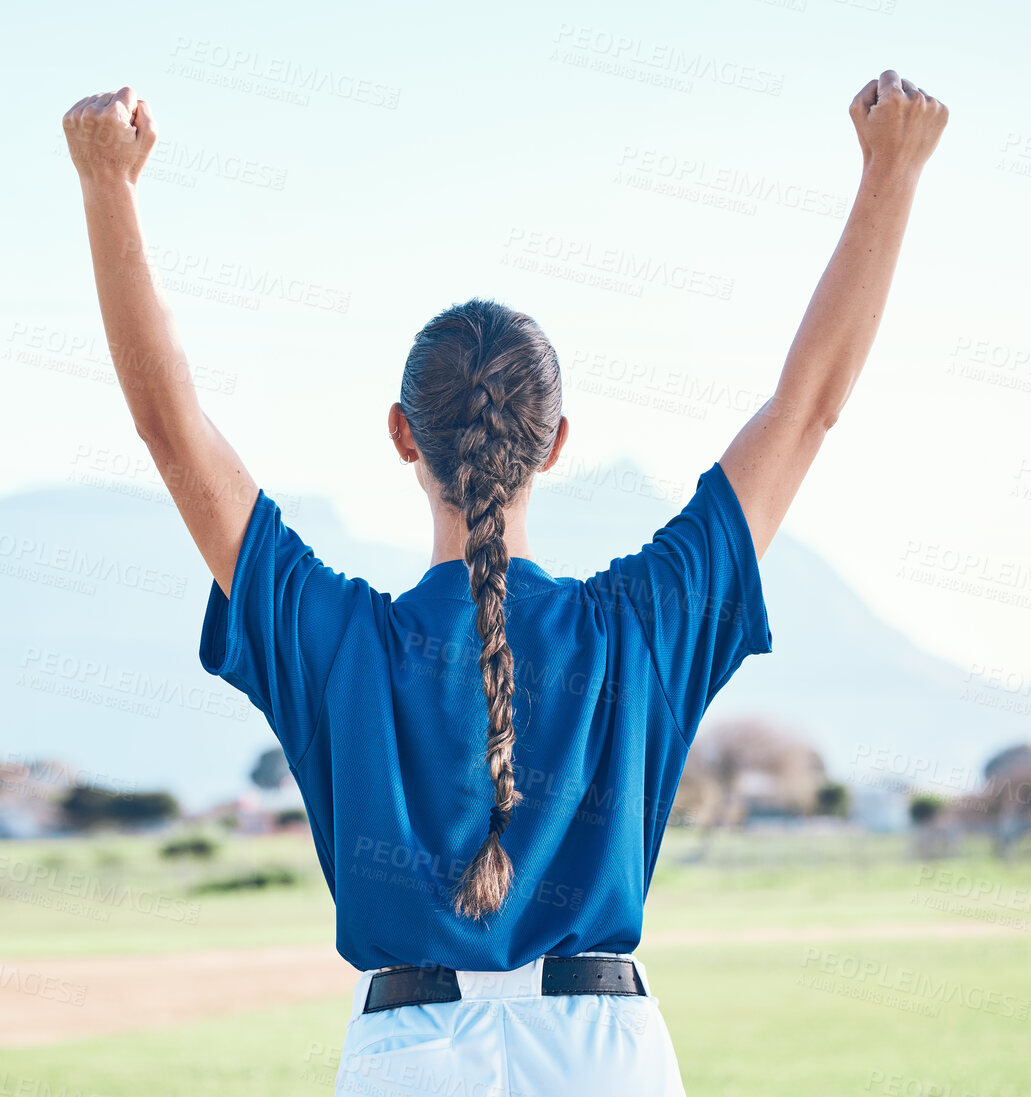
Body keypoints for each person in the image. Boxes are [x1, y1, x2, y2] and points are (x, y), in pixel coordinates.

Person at [62, 72, 946, 1094]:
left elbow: (172, 437)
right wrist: (889, 172)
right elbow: (804, 411)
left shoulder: (339, 638)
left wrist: (107, 186)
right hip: (604, 1055)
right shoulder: (638, 626)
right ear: (557, 442)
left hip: (408, 1057)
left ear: (401, 434)